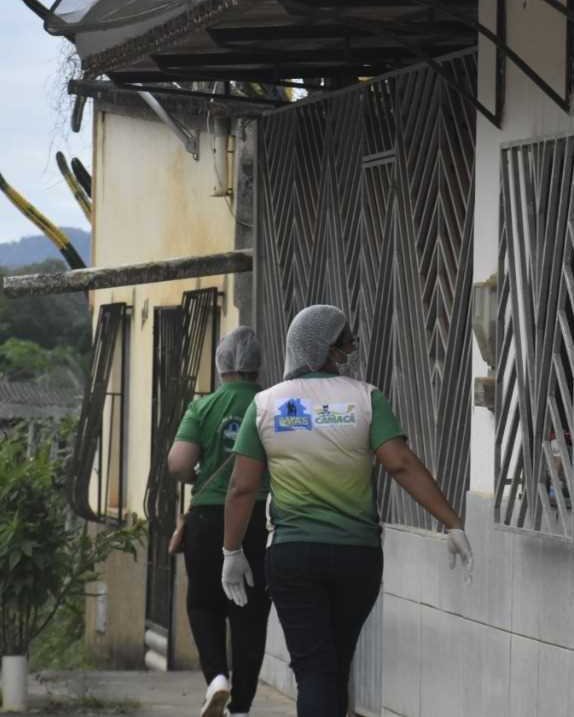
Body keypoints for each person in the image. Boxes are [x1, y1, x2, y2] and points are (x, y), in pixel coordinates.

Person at [221, 305, 474, 717]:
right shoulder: (366, 398)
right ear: (326, 348)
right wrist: (452, 522)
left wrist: (231, 551)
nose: (350, 351)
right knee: (335, 664)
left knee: (315, 668)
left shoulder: (265, 405)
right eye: (346, 343)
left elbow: (242, 486)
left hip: (293, 556)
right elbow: (400, 464)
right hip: (357, 556)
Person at [167, 326, 270, 717]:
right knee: (251, 611)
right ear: (258, 364)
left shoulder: (203, 407)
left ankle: (216, 679)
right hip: (260, 517)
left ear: (221, 363)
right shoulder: (272, 404)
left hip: (209, 516)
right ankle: (241, 706)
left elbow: (178, 463)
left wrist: (196, 477)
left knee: (204, 603)